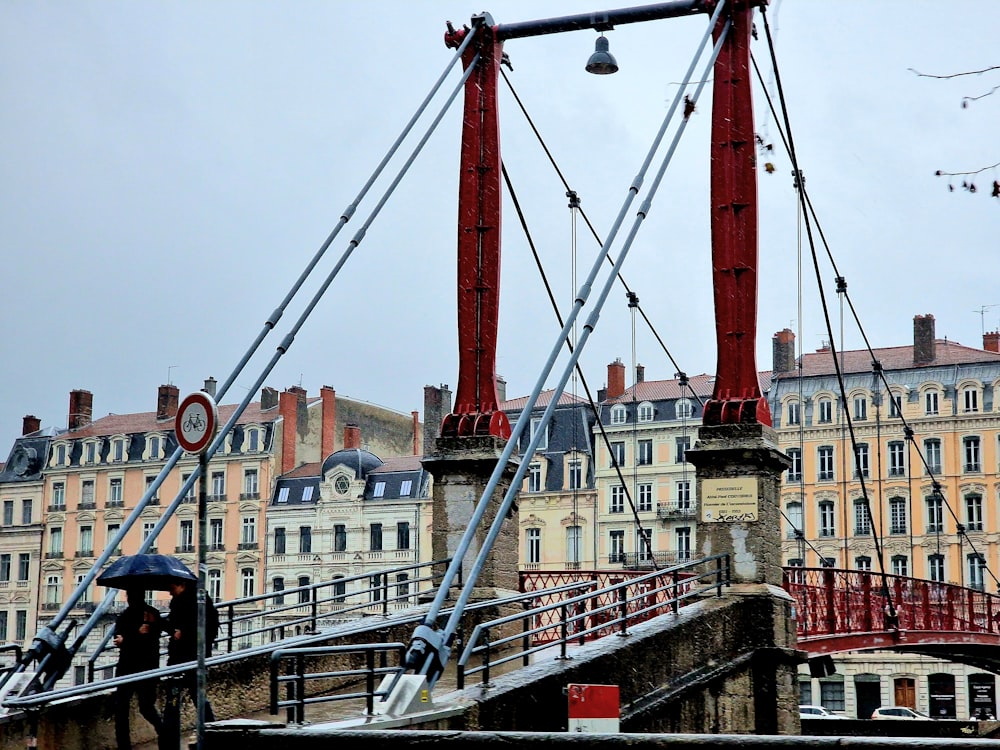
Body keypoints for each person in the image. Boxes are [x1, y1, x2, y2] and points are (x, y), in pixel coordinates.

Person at [113, 588, 164, 750]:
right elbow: (119, 640)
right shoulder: (145, 614)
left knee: (128, 708)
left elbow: (121, 640)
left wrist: (130, 637)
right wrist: (137, 634)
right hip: (141, 668)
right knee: (142, 707)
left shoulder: (147, 615)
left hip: (135, 667)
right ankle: (164, 733)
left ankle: (163, 733)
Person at [163, 579, 219, 724]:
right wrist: (173, 630)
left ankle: (208, 726)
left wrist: (182, 633)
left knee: (188, 693)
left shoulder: (195, 602)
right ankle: (207, 726)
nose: (170, 592)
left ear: (182, 585)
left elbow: (204, 628)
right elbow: (173, 624)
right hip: (183, 655)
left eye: (172, 587)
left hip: (190, 655)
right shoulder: (180, 601)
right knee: (181, 693)